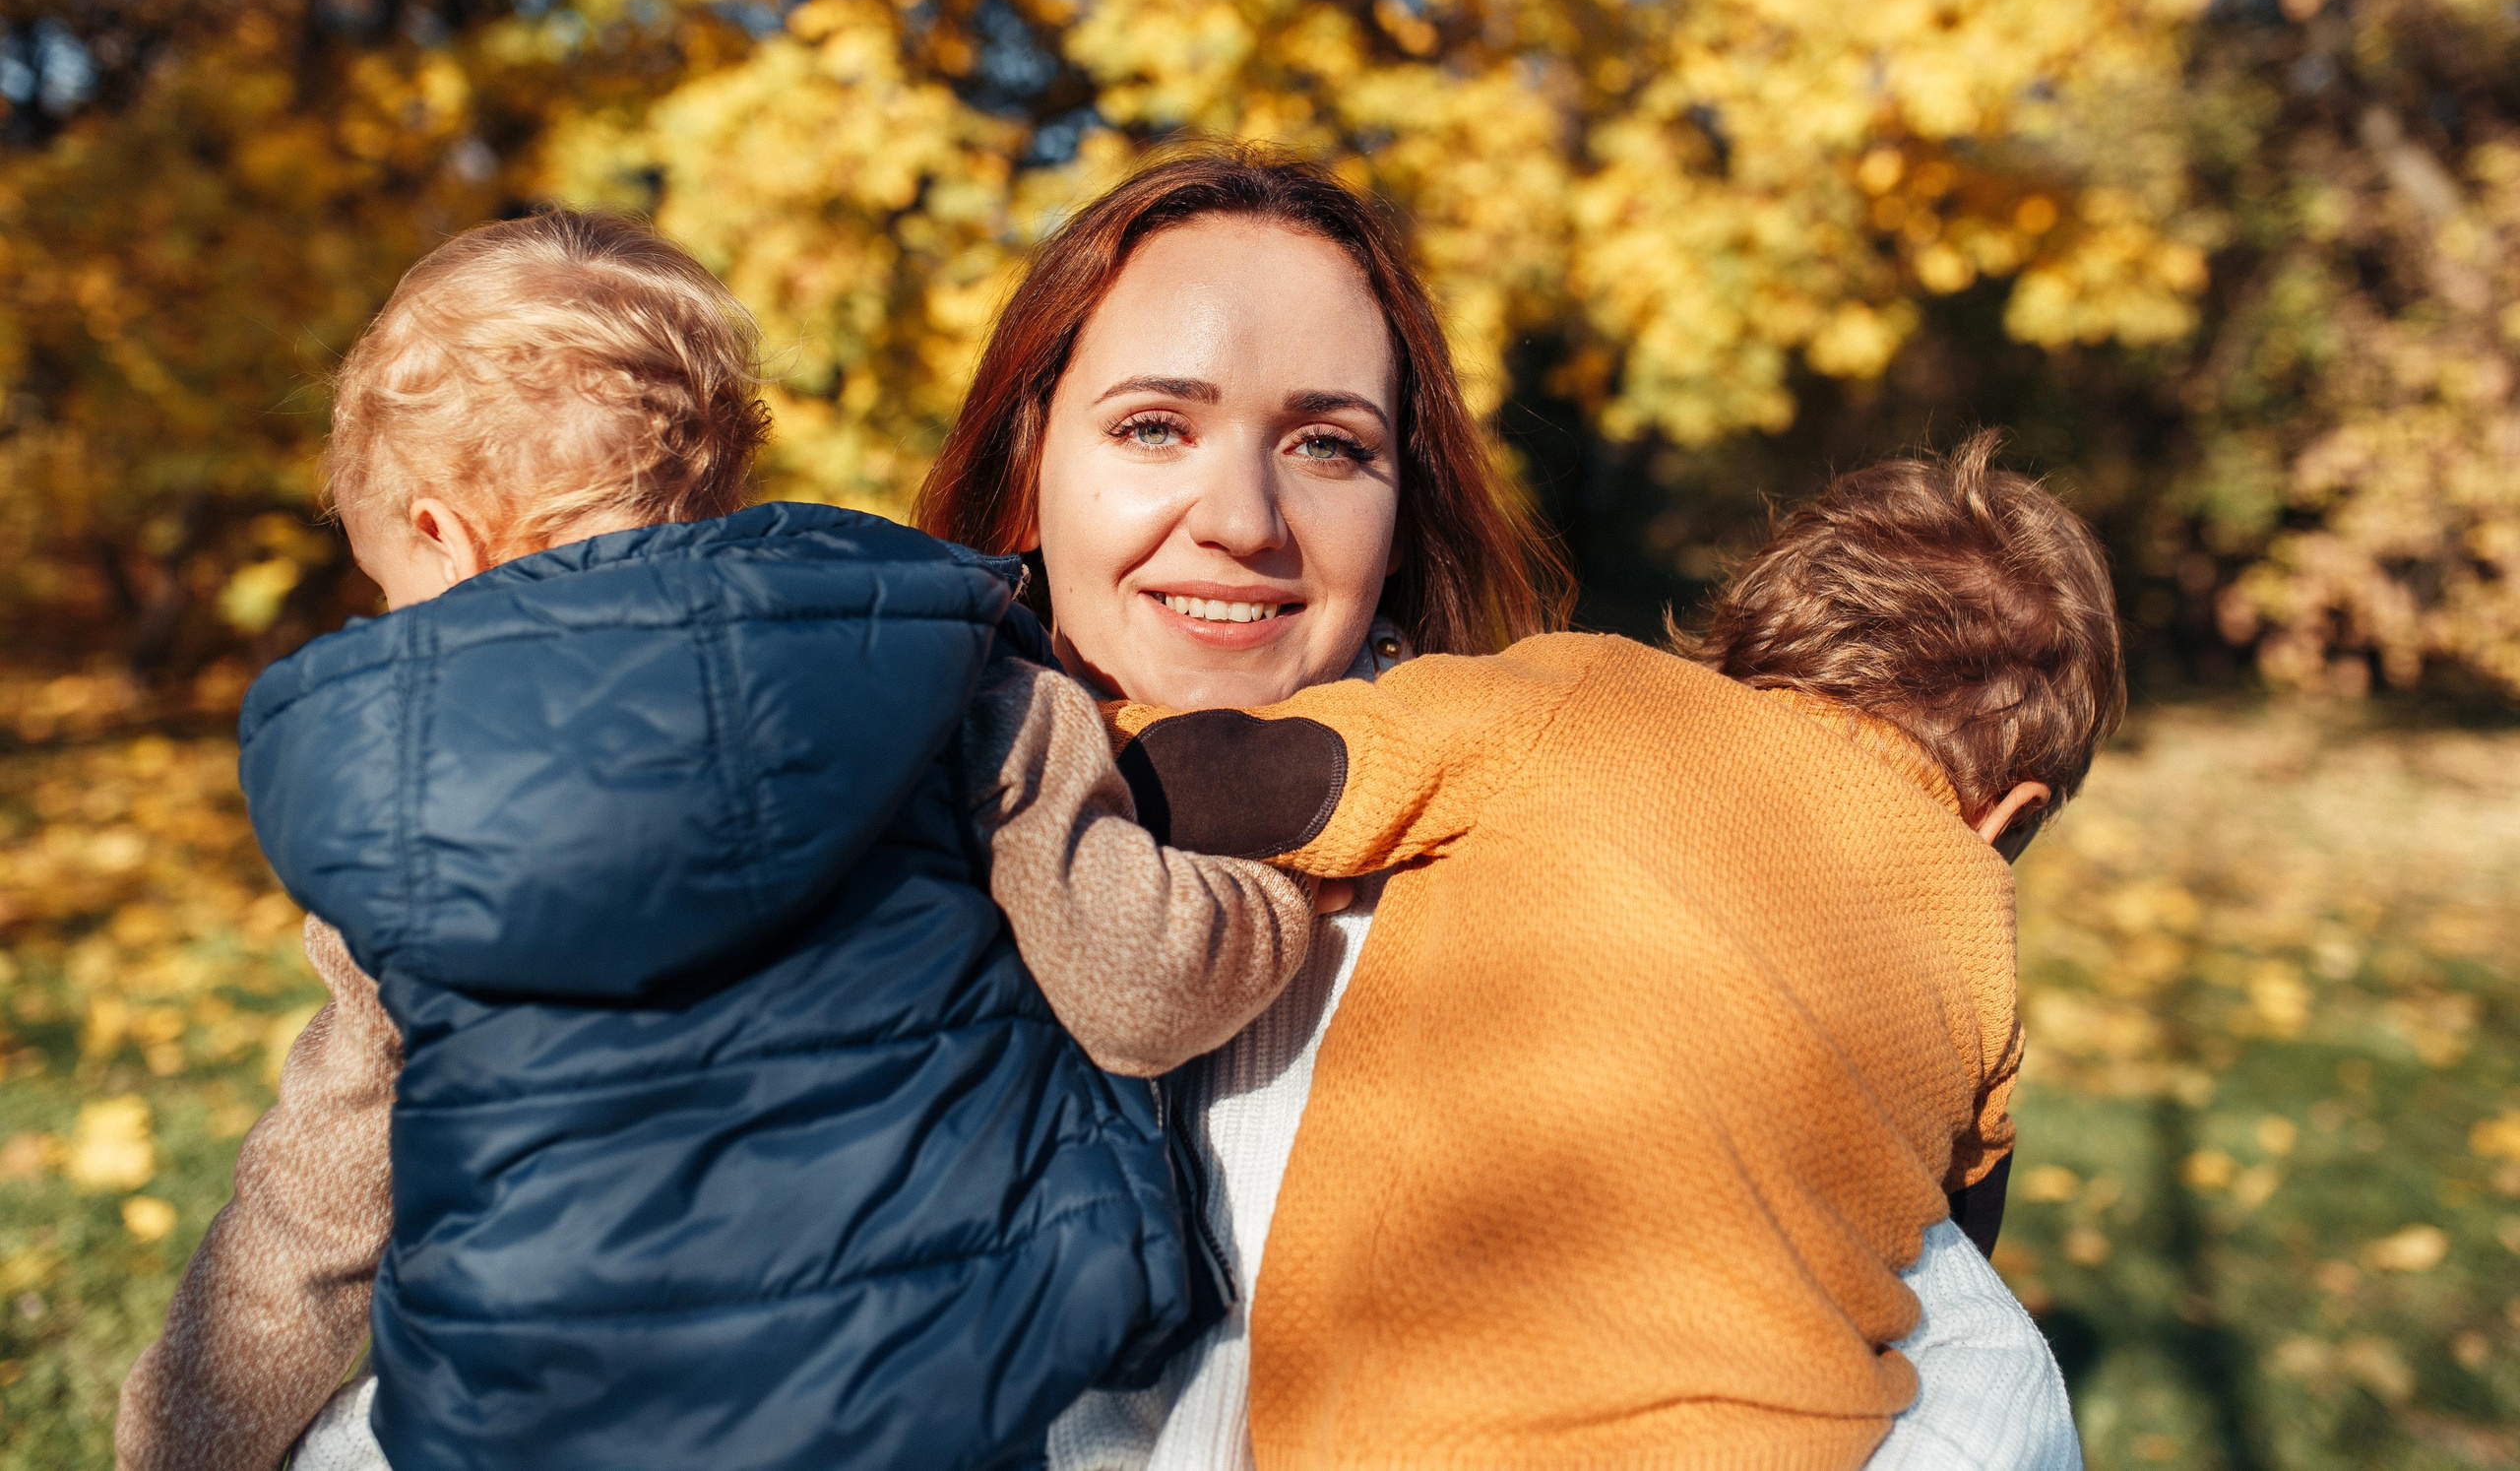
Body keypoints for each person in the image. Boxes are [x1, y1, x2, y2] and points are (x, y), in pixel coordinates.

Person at [114, 209, 1348, 1471]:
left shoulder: (405, 820)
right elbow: (1148, 996)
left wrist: (176, 1441)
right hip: (951, 1396)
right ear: (719, 486)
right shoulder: (951, 680)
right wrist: (1265, 886)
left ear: (442, 534)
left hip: (540, 1421)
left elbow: (307, 1225)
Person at [914, 144, 2080, 1469]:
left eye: (1327, 444)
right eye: (1154, 425)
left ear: (1400, 510)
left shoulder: (1584, 893)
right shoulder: (817, 834)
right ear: (1029, 457)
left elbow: (1977, 1380)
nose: (1242, 514)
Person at [1096, 432, 2117, 1468]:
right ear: (2013, 814)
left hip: (1420, 1420)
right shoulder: (1978, 926)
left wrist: (1081, 737)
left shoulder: (1593, 690)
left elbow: (1297, 774)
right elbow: (1961, 1231)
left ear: (1735, 643)